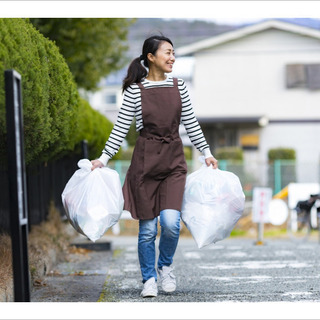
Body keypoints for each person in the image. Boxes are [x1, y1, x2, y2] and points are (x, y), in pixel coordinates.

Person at [91, 35, 218, 298]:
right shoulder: (135, 90)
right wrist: (103, 158)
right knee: (148, 229)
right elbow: (120, 128)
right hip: (145, 163)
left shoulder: (179, 85)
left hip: (173, 160)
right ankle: (148, 279)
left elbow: (191, 123)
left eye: (174, 53)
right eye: (167, 53)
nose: (172, 58)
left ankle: (165, 267)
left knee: (171, 223)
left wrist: (206, 152)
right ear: (151, 57)